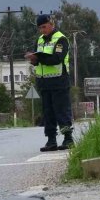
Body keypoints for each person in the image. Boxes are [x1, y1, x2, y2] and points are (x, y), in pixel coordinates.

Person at [24, 13, 74, 152]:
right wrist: (33, 60)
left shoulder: (61, 39)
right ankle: (51, 140)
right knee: (48, 113)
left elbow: (57, 59)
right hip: (44, 83)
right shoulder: (39, 40)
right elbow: (38, 60)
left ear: (52, 24)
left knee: (62, 112)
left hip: (59, 81)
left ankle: (68, 139)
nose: (42, 30)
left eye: (44, 27)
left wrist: (39, 59)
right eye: (40, 28)